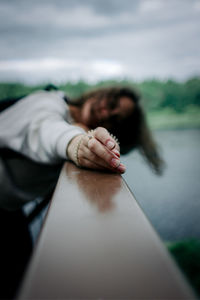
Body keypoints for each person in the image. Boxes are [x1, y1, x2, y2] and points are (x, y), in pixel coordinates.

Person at [0, 85, 163, 298]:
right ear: (102, 92)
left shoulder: (77, 126)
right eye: (111, 102)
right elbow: (45, 130)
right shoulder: (49, 102)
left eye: (115, 120)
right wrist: (77, 143)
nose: (105, 113)